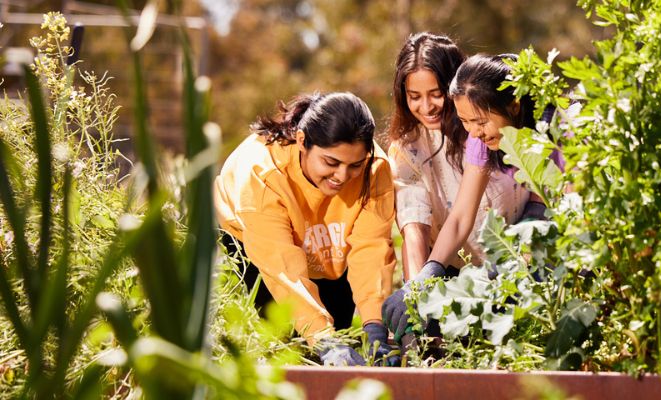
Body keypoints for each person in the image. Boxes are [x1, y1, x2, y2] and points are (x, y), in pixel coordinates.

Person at [215, 92, 398, 366]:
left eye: (354, 166)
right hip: (257, 247)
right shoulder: (261, 173)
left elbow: (371, 249)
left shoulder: (374, 169)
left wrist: (374, 325)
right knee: (289, 344)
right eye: (331, 163)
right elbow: (282, 270)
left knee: (340, 341)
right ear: (302, 142)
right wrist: (323, 338)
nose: (342, 177)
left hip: (329, 245)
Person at [383, 54, 557, 340]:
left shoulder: (555, 127)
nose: (473, 132)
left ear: (513, 106)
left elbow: (565, 207)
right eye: (464, 121)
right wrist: (427, 276)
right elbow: (461, 216)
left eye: (480, 121)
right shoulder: (480, 139)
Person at [385, 34, 533, 280]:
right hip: (457, 269)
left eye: (436, 93)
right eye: (415, 96)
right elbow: (418, 228)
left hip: (521, 257)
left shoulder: (496, 127)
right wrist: (418, 285)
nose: (426, 106)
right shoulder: (411, 149)